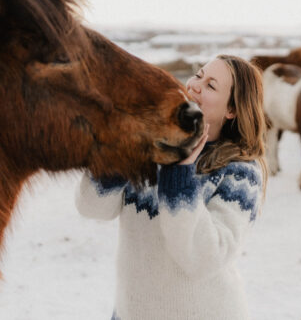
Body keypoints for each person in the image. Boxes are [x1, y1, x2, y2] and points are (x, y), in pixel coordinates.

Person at [75, 54, 268, 320]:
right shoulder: (152, 147)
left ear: (231, 110)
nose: (195, 86)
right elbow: (91, 207)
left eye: (211, 86)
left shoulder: (240, 172)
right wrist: (120, 147)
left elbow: (202, 259)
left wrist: (179, 175)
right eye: (198, 75)